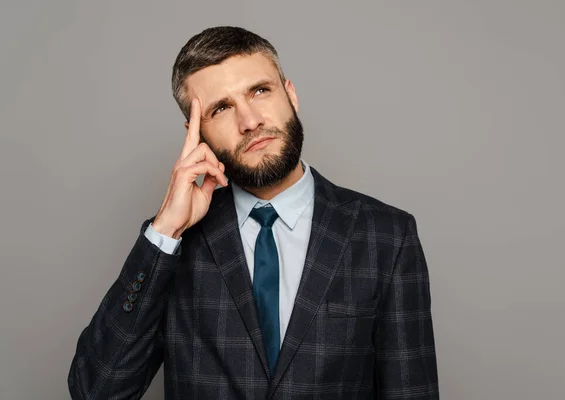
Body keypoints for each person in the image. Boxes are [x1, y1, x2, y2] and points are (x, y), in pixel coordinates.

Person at [68, 26, 439, 399]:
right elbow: (96, 391)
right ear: (195, 134)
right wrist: (165, 230)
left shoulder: (387, 236)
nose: (250, 121)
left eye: (260, 91)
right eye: (221, 108)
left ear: (290, 94)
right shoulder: (174, 247)